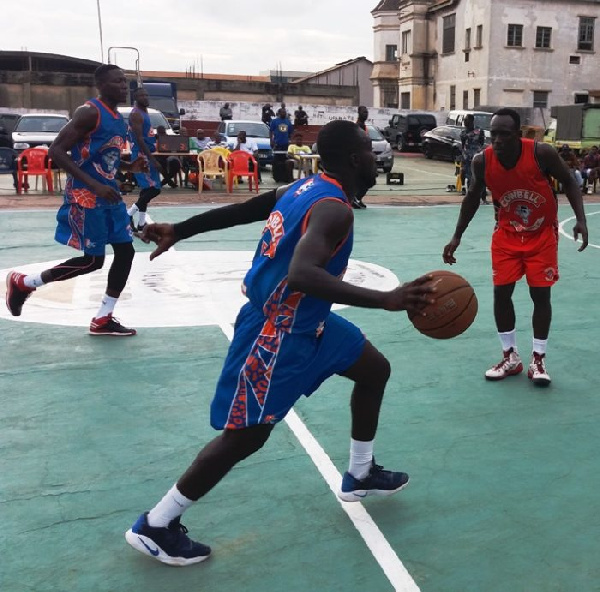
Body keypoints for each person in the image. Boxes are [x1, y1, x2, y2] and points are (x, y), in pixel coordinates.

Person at [124, 119, 436, 566]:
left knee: (373, 369)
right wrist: (387, 299)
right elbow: (302, 274)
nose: (374, 156)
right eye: (369, 149)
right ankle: (157, 524)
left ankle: (361, 472)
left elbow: (245, 209)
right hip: (278, 330)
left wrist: (183, 229)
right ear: (353, 158)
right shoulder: (335, 209)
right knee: (246, 437)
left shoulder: (307, 188)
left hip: (311, 322)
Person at [442, 108, 588, 386]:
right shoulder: (481, 161)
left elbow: (569, 180)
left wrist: (581, 219)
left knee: (540, 296)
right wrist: (456, 236)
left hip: (541, 235)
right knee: (501, 294)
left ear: (518, 135)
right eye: (493, 134)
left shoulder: (540, 154)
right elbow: (472, 198)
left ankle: (539, 359)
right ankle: (510, 357)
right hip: (507, 236)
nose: (496, 140)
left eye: (504, 135)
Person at [5, 64, 146, 336]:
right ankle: (25, 283)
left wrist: (130, 167)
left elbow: (104, 158)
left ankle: (104, 317)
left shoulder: (118, 118)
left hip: (109, 196)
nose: (123, 86)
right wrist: (93, 184)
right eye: (117, 81)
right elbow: (56, 151)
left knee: (125, 252)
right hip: (87, 196)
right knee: (93, 260)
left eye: (124, 81)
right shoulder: (89, 112)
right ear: (101, 85)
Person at [126, 87, 163, 233]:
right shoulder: (136, 114)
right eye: (142, 95)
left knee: (146, 190)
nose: (146, 97)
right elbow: (140, 139)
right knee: (155, 189)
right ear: (136, 97)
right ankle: (128, 214)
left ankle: (141, 224)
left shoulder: (144, 112)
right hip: (142, 155)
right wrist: (152, 159)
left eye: (147, 95)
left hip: (147, 153)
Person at [460, 113, 487, 203]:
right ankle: (471, 198)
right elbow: (463, 144)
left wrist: (476, 150)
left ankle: (483, 198)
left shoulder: (479, 131)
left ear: (471, 121)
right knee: (469, 177)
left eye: (466, 120)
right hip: (467, 157)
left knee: (480, 176)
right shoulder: (463, 132)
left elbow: (481, 142)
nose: (465, 122)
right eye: (464, 120)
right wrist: (464, 154)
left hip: (477, 157)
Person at [353, 106, 370, 208]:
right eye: (364, 112)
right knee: (363, 179)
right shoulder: (356, 126)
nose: (366, 114)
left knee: (368, 178)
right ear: (359, 113)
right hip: (358, 157)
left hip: (364, 156)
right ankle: (355, 198)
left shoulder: (364, 126)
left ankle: (358, 198)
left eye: (367, 112)